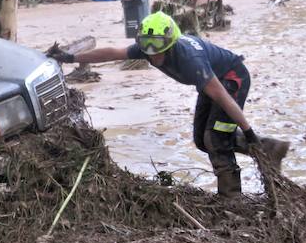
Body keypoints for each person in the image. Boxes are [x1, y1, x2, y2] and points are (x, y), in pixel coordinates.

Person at [51, 11, 290, 197]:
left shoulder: (189, 60)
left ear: (171, 42)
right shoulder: (147, 48)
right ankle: (269, 149)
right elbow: (111, 53)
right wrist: (71, 57)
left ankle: (232, 197)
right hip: (212, 83)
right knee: (201, 139)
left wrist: (248, 131)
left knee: (215, 138)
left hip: (231, 79)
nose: (153, 55)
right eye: (148, 47)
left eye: (158, 48)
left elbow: (223, 97)